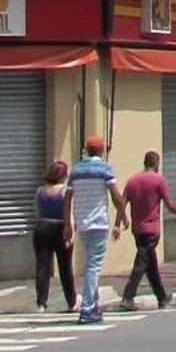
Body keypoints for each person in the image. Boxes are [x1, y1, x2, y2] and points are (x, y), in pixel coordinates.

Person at [63, 134, 125, 323]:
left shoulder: (76, 170)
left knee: (90, 263)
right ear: (101, 150)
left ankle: (94, 304)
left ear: (87, 150)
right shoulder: (104, 169)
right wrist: (122, 215)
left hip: (82, 223)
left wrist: (68, 224)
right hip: (98, 222)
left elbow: (67, 199)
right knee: (93, 266)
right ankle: (88, 308)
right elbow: (116, 196)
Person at [119, 150, 176, 311]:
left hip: (137, 230)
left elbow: (122, 204)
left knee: (150, 264)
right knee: (141, 264)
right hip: (152, 229)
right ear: (156, 163)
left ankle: (161, 297)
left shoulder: (132, 181)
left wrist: (119, 223)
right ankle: (128, 297)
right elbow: (169, 204)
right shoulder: (158, 181)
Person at [31, 159, 76, 313]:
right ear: (63, 175)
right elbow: (69, 213)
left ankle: (41, 303)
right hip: (59, 227)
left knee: (42, 267)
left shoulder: (39, 191)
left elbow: (37, 211)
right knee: (65, 267)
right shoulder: (65, 191)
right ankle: (71, 301)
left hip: (42, 227)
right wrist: (70, 233)